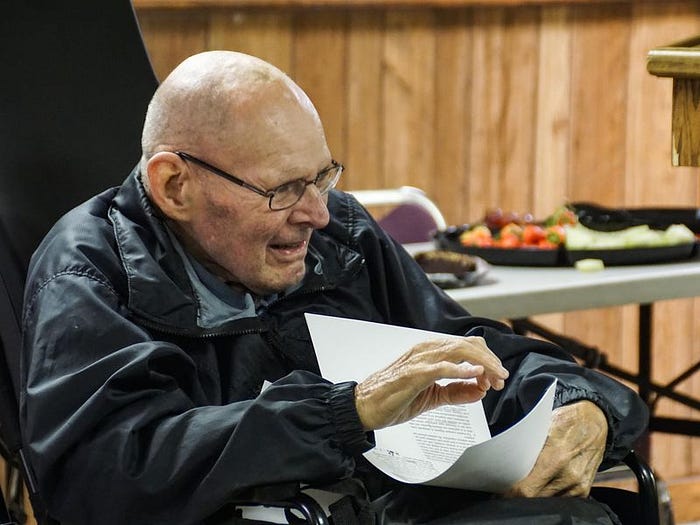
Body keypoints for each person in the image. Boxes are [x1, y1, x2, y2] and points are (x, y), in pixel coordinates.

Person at [20, 50, 647, 525]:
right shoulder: (89, 272)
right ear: (174, 186)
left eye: (322, 177)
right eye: (283, 189)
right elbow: (105, 474)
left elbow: (472, 351)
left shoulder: (337, 231)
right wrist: (346, 412)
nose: (316, 212)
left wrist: (582, 404)